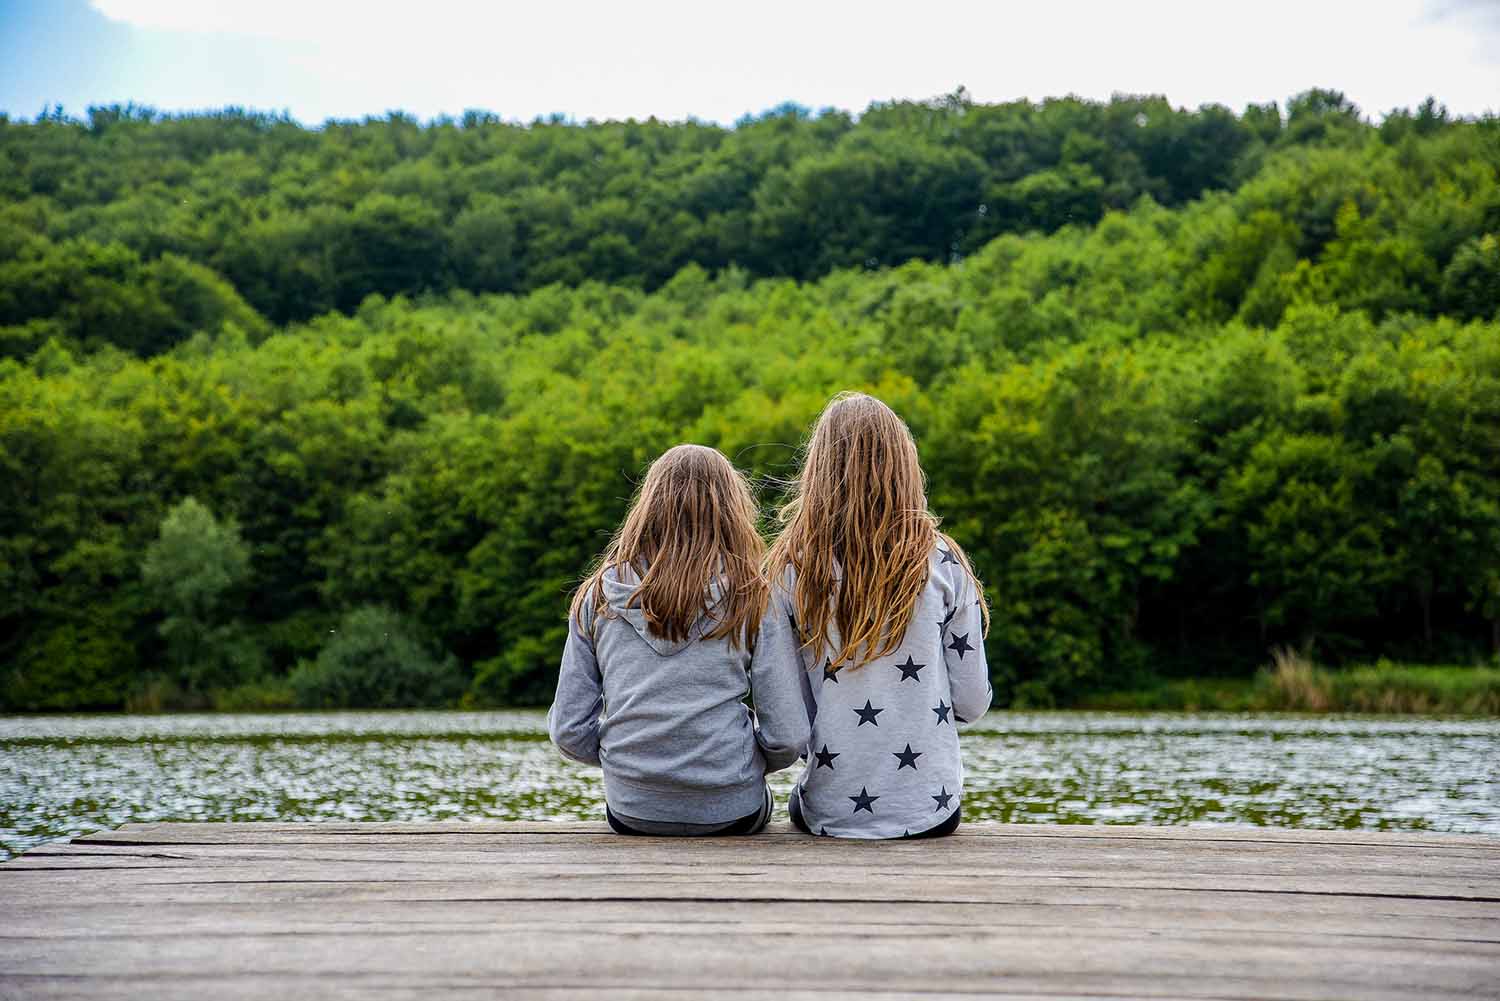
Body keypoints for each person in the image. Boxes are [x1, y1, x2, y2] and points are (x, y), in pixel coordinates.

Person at [548, 443, 809, 836]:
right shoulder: (754, 597)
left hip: (632, 812)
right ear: (732, 511)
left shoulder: (598, 597)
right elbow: (787, 737)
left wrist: (633, 764)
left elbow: (569, 732)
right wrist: (740, 762)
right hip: (732, 811)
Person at [766, 392, 992, 838]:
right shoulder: (942, 561)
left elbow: (787, 723)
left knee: (798, 798)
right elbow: (972, 703)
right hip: (931, 812)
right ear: (904, 465)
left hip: (828, 814)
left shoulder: (790, 568)